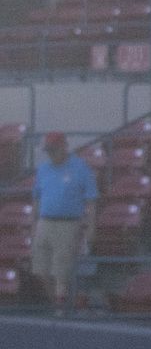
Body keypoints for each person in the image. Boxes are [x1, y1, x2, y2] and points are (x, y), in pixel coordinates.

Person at [30, 130, 98, 311]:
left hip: (68, 222)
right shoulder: (43, 169)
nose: (51, 154)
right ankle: (57, 302)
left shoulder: (80, 167)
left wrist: (91, 226)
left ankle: (60, 307)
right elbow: (36, 198)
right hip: (45, 221)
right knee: (40, 268)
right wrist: (33, 224)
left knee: (61, 268)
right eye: (48, 150)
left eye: (53, 149)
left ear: (64, 147)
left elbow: (91, 199)